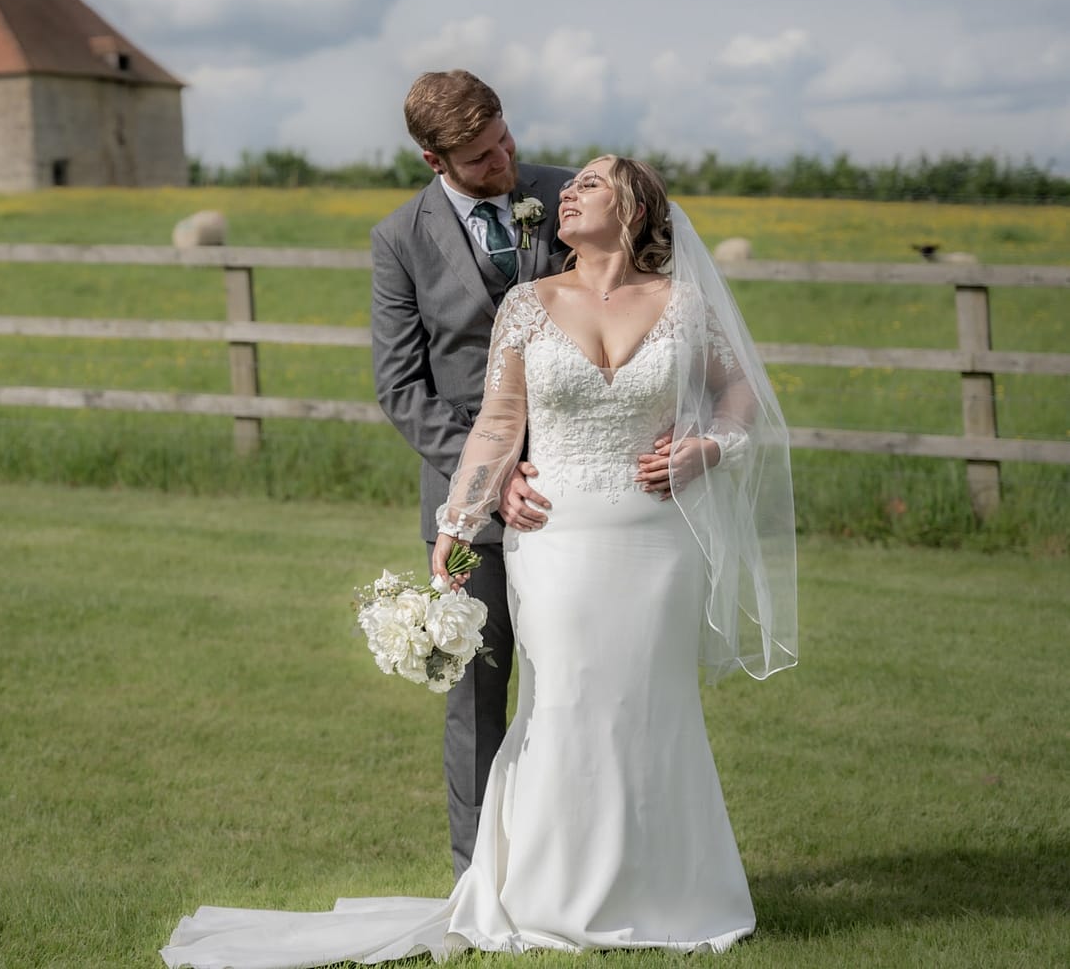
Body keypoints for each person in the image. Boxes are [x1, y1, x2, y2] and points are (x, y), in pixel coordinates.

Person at [161, 156, 798, 966]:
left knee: (651, 706)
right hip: (555, 535)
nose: (567, 190)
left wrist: (710, 445)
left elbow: (738, 392)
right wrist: (458, 520)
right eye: (570, 186)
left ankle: (670, 893)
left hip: (657, 542)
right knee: (564, 699)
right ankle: (547, 896)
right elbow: (499, 423)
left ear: (634, 208)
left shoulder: (685, 306)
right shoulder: (528, 306)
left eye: (591, 183)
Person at [368, 69, 574, 879]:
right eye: (483, 157)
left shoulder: (569, 196)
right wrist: (489, 479)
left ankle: (572, 868)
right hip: (464, 511)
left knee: (575, 683)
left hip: (576, 491)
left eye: (506, 140)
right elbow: (400, 387)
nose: (507, 161)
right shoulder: (398, 240)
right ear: (433, 159)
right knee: (478, 703)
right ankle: (477, 881)